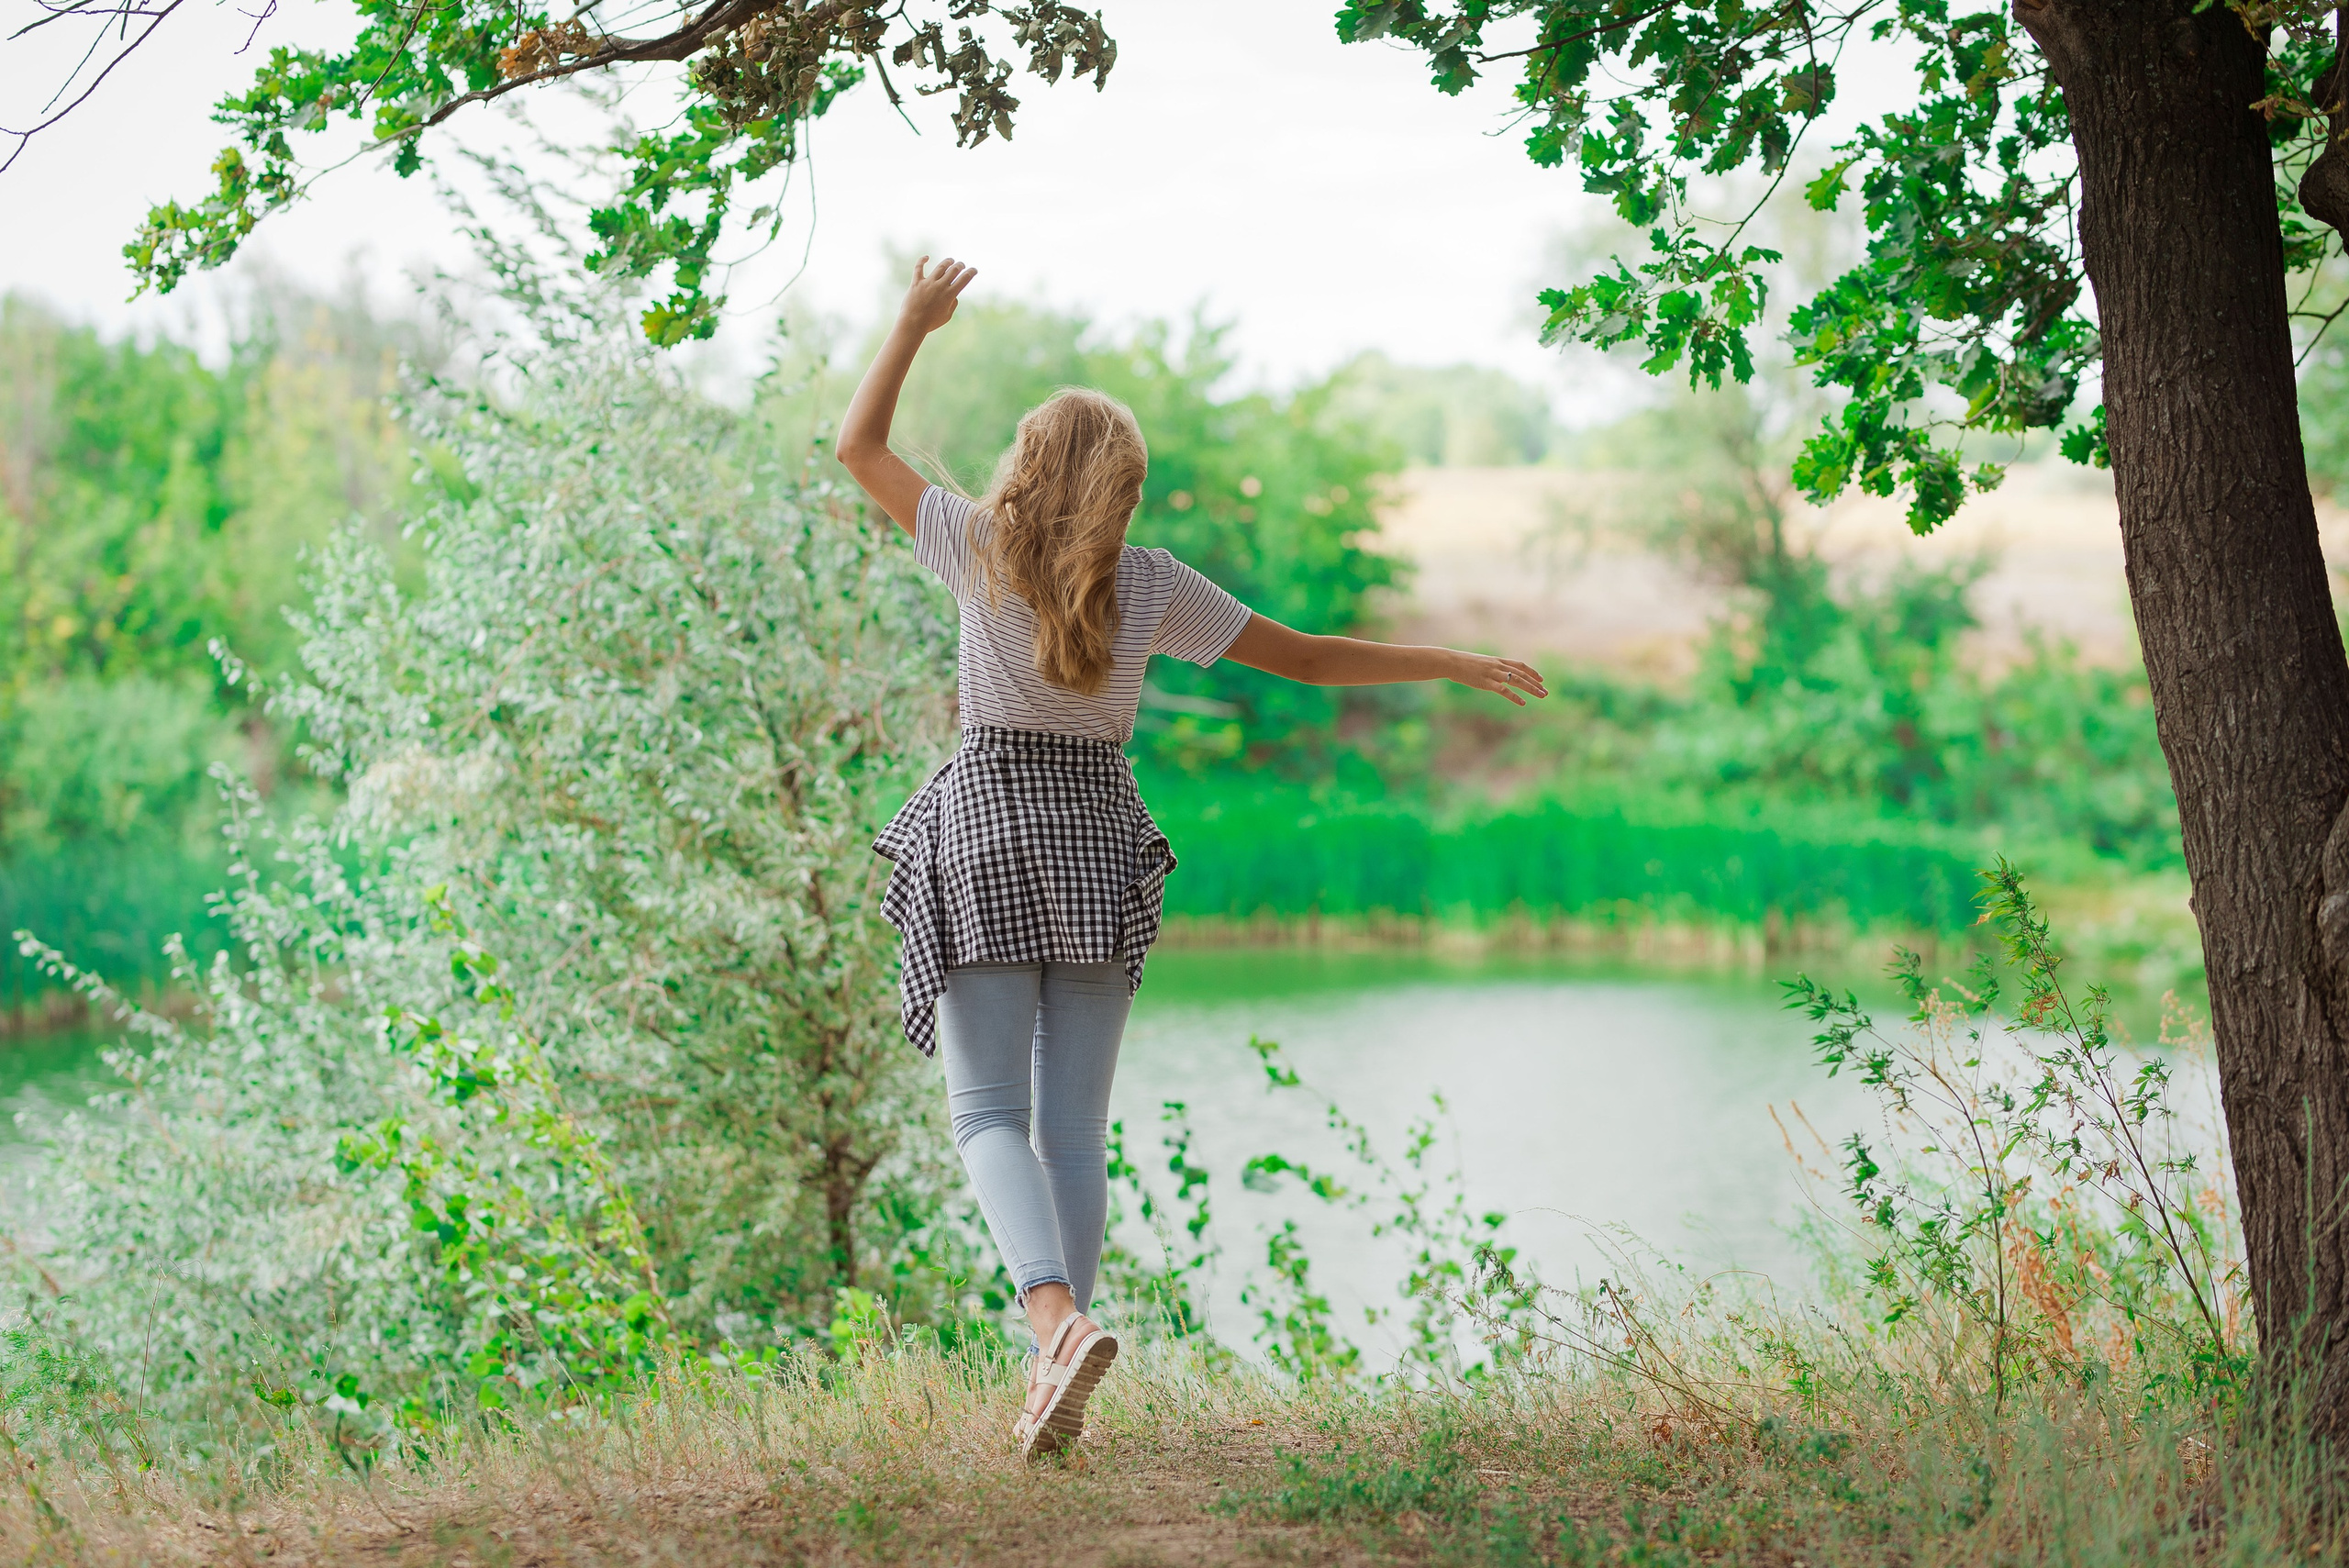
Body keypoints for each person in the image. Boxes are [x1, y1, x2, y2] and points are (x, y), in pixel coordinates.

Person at [837, 256, 1547, 1459]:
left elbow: (859, 446)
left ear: (1025, 465)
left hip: (991, 826)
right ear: (1122, 490)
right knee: (1073, 1129)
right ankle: (1053, 1370)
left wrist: (911, 322)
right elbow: (1313, 658)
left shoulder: (971, 545)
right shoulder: (1153, 586)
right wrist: (1451, 661)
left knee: (986, 1115)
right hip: (1100, 838)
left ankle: (1056, 1326)